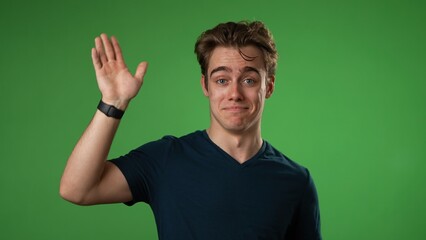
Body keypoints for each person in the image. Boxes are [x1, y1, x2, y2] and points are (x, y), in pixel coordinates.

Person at [60, 21, 321, 239]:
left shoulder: (296, 181)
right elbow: (77, 189)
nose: (234, 93)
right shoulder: (165, 159)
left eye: (249, 80)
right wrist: (113, 103)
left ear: (269, 87)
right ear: (206, 86)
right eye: (221, 80)